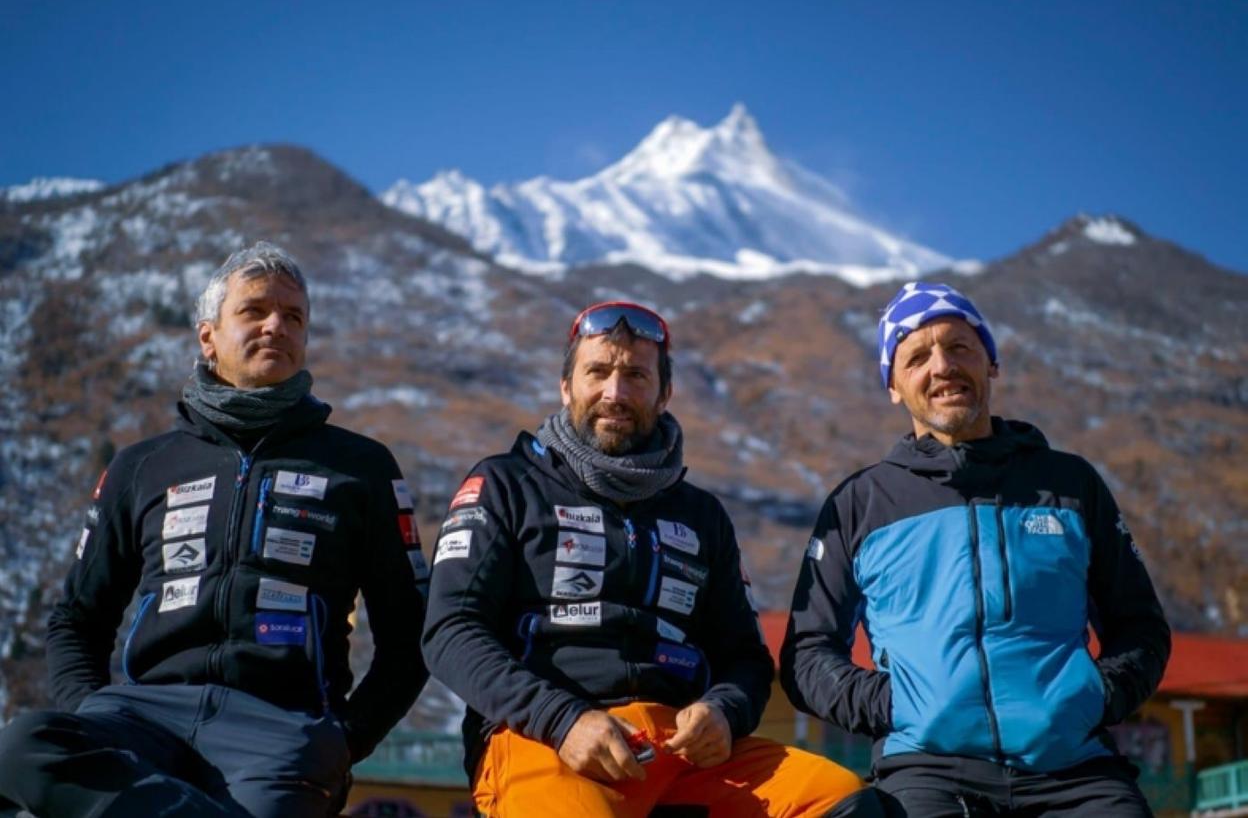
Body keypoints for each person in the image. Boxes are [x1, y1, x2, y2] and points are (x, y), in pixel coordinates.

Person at [0, 242, 430, 818]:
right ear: (208, 336)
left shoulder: (362, 467)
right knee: (20, 748)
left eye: (294, 316)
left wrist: (345, 739)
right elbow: (76, 620)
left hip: (283, 733)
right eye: (255, 310)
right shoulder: (142, 465)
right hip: (140, 719)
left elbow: (411, 636)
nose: (277, 325)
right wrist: (92, 711)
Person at [422, 301, 880, 818]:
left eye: (636, 375)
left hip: (682, 751)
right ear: (566, 386)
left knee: (845, 800)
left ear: (664, 394)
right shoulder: (505, 484)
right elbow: (450, 631)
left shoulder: (702, 515)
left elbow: (747, 659)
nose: (614, 393)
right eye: (597, 371)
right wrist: (563, 719)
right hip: (545, 738)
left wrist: (724, 713)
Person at [780, 281, 1172, 816]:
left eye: (960, 347)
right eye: (916, 356)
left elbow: (1141, 626)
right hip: (925, 772)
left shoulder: (1071, 484)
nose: (942, 366)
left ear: (991, 362)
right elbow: (806, 653)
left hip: (1076, 772)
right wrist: (895, 705)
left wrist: (1093, 695)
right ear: (893, 385)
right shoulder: (860, 504)